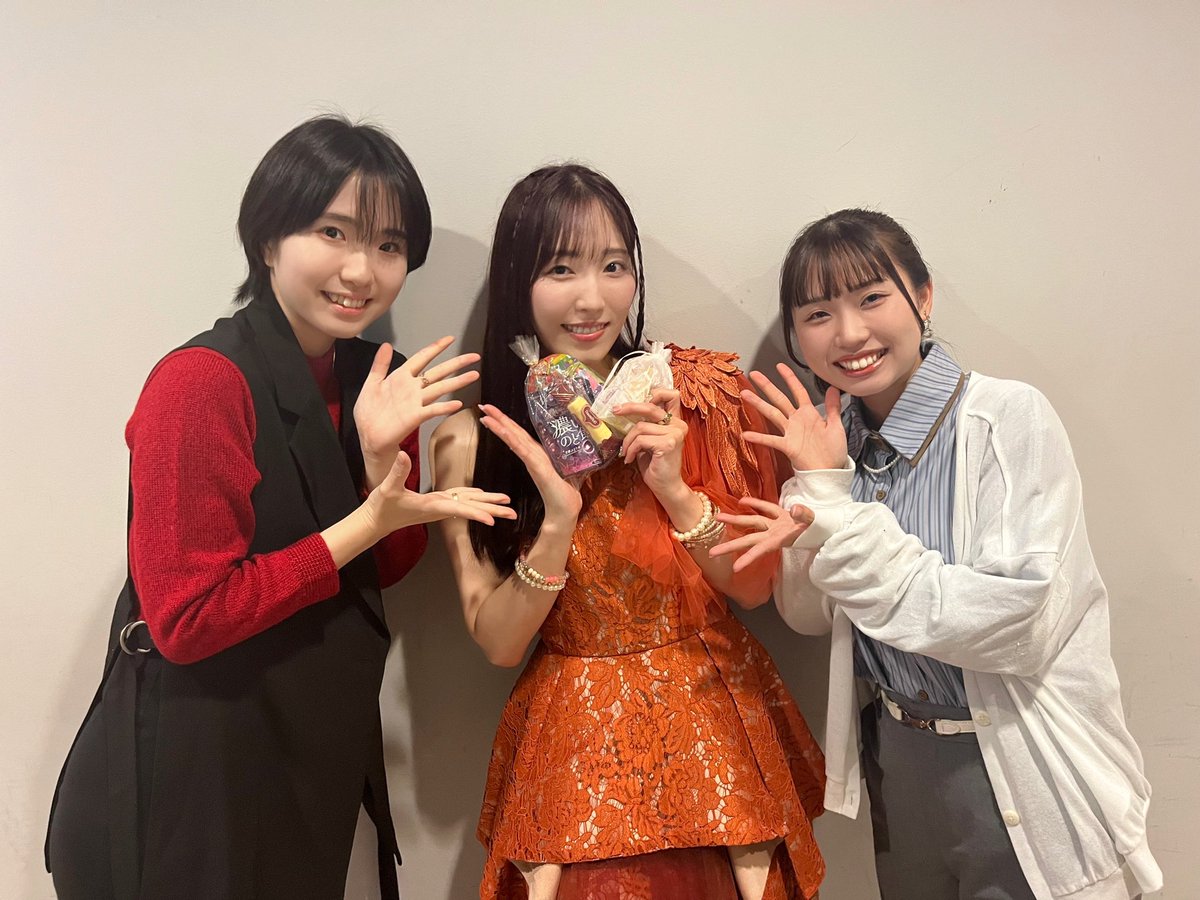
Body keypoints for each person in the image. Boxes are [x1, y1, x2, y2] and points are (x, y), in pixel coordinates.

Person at [45, 115, 514, 899]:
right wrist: (365, 520)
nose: (361, 270)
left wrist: (380, 469)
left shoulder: (375, 378)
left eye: (389, 245)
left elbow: (384, 571)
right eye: (333, 232)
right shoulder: (200, 383)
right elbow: (189, 618)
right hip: (186, 770)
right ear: (267, 241)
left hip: (298, 758)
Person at [713, 208, 1163, 899]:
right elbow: (810, 616)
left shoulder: (1005, 419)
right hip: (897, 757)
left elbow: (1017, 622)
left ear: (923, 298)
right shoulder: (831, 444)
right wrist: (820, 484)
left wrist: (840, 518)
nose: (849, 333)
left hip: (1016, 755)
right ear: (799, 338)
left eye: (872, 297)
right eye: (818, 313)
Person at [431, 164, 825, 900]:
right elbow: (499, 643)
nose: (593, 298)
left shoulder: (691, 395)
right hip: (574, 738)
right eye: (561, 269)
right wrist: (558, 519)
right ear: (518, 281)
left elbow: (753, 588)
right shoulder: (473, 439)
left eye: (614, 266)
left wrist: (675, 490)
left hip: (714, 720)